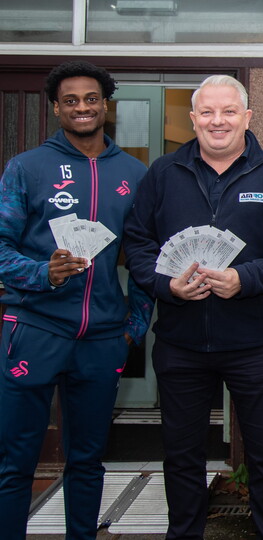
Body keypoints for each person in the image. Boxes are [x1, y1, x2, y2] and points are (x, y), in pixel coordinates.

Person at [123, 75, 263, 540]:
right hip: (180, 343)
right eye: (206, 112)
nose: (217, 121)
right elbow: (137, 242)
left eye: (228, 111)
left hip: (254, 343)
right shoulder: (164, 174)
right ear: (193, 119)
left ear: (247, 117)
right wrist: (167, 286)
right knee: (181, 453)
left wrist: (244, 279)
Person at [0, 60, 153, 539]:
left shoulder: (134, 172)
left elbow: (145, 256)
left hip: (102, 337)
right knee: (16, 459)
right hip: (35, 329)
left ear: (105, 105)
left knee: (87, 459)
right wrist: (41, 273)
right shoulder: (27, 167)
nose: (82, 107)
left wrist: (135, 324)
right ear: (56, 108)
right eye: (71, 100)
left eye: (91, 98)